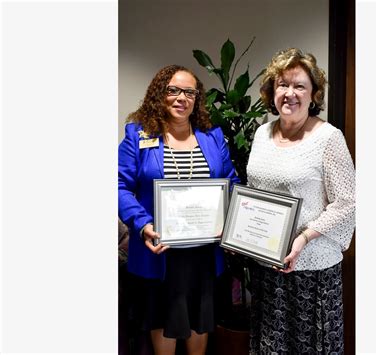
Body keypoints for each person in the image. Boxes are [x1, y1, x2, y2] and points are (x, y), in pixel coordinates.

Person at [118, 64, 239, 355]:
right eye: (173, 90)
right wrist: (143, 224)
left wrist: (232, 221)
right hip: (158, 252)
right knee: (162, 324)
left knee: (200, 323)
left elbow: (231, 183)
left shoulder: (213, 138)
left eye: (189, 92)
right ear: (160, 94)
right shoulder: (138, 136)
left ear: (196, 99)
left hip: (203, 255)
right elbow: (119, 186)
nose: (181, 98)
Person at [246, 48, 355, 354]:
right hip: (267, 264)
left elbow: (347, 202)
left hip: (311, 269)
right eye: (282, 84)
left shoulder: (328, 138)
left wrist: (304, 237)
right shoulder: (261, 134)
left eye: (299, 86)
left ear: (313, 95)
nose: (289, 93)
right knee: (271, 345)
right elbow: (254, 191)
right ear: (272, 91)